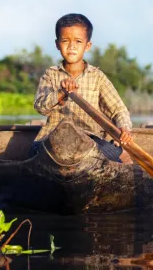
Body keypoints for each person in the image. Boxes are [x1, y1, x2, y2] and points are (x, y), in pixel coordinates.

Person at [29, 13, 134, 163]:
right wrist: (60, 94)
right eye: (65, 41)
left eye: (78, 41)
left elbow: (118, 110)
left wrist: (124, 129)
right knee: (34, 151)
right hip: (52, 138)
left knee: (114, 153)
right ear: (57, 44)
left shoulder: (97, 77)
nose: (71, 47)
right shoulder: (51, 75)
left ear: (87, 46)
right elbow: (40, 107)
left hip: (89, 140)